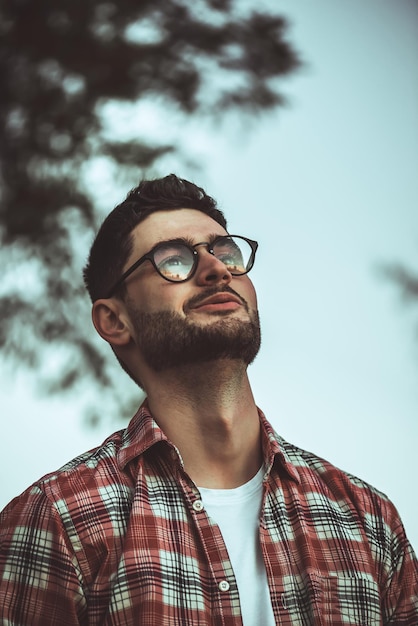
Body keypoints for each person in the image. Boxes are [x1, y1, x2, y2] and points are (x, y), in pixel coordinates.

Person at [0, 174, 417, 625]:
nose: (216, 269)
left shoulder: (368, 520)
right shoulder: (58, 521)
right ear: (114, 320)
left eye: (226, 253)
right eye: (173, 260)